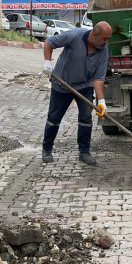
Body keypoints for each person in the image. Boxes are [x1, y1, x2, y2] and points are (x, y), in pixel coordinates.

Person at [41, 21, 112, 165]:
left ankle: (84, 152)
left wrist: (101, 101)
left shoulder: (104, 51)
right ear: (94, 34)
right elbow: (49, 42)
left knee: (86, 118)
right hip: (62, 83)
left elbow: (98, 79)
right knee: (54, 118)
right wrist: (47, 63)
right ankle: (47, 149)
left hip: (84, 86)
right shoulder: (74, 36)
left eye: (108, 38)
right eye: (104, 38)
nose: (106, 42)